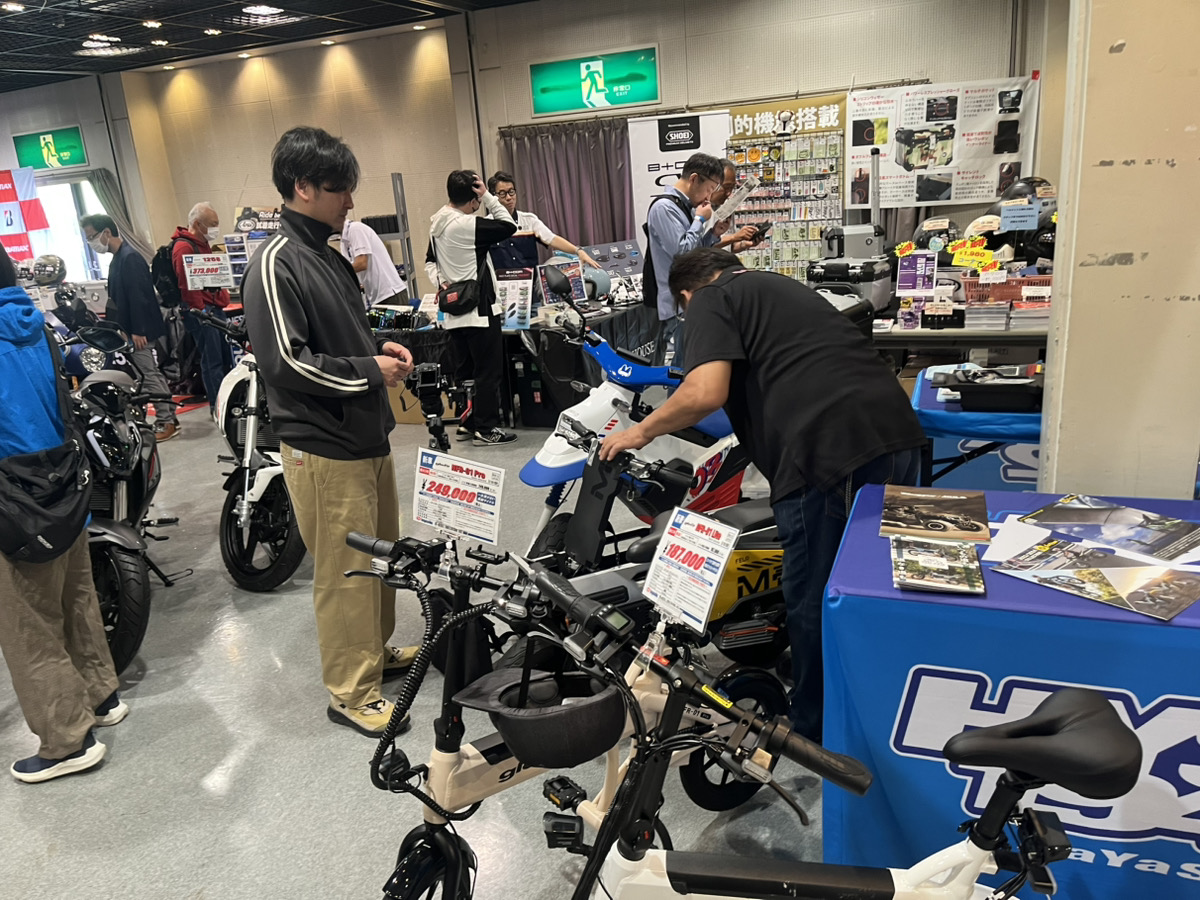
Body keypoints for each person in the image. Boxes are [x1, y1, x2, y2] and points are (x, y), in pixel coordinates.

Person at [600, 249, 927, 743]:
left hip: (828, 452)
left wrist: (640, 432)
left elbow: (705, 391)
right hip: (899, 437)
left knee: (814, 593)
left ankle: (815, 731)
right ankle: (880, 704)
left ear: (685, 294)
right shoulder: (778, 287)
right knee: (875, 583)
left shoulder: (711, 296)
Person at [241, 126, 418, 738]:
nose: (350, 201)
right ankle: (351, 690)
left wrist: (378, 347)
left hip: (366, 435)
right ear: (303, 187)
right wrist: (370, 371)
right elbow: (285, 363)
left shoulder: (329, 253)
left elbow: (344, 336)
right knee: (346, 572)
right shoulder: (276, 261)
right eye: (340, 189)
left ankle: (374, 652)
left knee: (381, 558)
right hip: (323, 444)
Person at [0, 245, 129, 783]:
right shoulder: (34, 323)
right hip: (62, 479)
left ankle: (66, 741)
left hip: (12, 496)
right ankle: (101, 696)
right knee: (76, 596)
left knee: (28, 622)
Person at [424, 170, 518, 446]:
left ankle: (467, 423)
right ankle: (486, 428)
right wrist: (488, 196)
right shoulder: (466, 224)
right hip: (480, 310)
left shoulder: (437, 223)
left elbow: (429, 261)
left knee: (464, 372)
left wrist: (442, 282)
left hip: (454, 311)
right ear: (473, 197)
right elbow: (508, 225)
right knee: (488, 372)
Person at [80, 214, 179, 442]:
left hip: (139, 331)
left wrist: (138, 331)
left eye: (92, 237)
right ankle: (164, 418)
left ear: (106, 232)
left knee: (148, 374)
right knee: (147, 374)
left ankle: (167, 420)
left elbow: (140, 297)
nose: (91, 243)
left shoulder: (130, 258)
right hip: (129, 329)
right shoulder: (119, 258)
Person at [645, 152, 724, 367]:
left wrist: (713, 234)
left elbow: (694, 251)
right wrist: (699, 220)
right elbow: (682, 254)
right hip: (676, 305)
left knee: (690, 364)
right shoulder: (664, 208)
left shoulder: (683, 207)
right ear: (694, 178)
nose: (709, 196)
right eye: (709, 188)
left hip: (688, 300)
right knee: (680, 370)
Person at [171, 201, 234, 419]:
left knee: (223, 357)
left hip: (214, 308)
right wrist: (200, 312)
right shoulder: (184, 248)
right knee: (212, 360)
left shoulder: (202, 244)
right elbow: (187, 286)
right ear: (198, 224)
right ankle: (218, 407)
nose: (216, 228)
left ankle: (228, 401)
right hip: (201, 312)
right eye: (213, 224)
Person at [484, 171, 600, 270]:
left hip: (529, 284)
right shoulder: (487, 225)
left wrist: (578, 251)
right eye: (502, 194)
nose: (509, 197)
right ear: (493, 196)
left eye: (511, 192)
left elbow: (552, 239)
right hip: (499, 286)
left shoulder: (529, 220)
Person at [339, 216, 409, 309]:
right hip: (375, 296)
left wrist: (336, 272)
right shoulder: (343, 242)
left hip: (390, 294)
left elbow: (362, 263)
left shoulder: (355, 229)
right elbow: (351, 268)